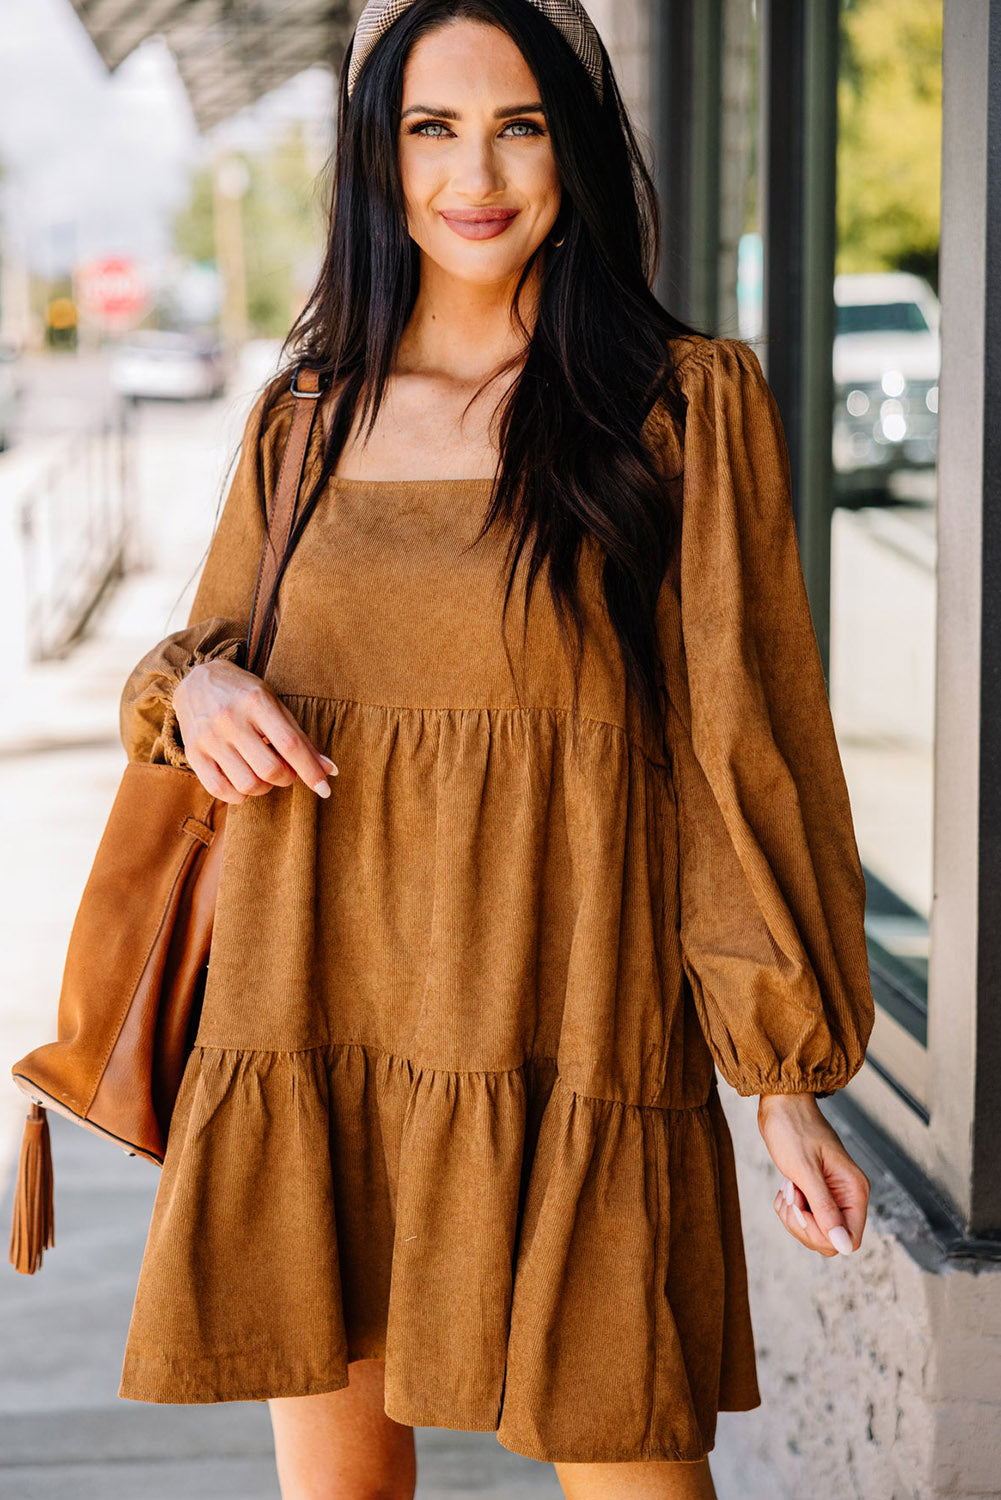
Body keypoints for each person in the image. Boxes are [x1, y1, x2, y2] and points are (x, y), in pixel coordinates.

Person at [115, 1, 875, 1496]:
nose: (478, 171)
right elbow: (199, 664)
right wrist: (194, 698)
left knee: (632, 1467)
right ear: (375, 159)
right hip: (316, 1013)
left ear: (574, 148)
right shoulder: (306, 419)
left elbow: (739, 751)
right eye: (431, 127)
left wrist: (780, 1079)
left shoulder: (676, 405)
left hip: (573, 1029)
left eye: (519, 124)